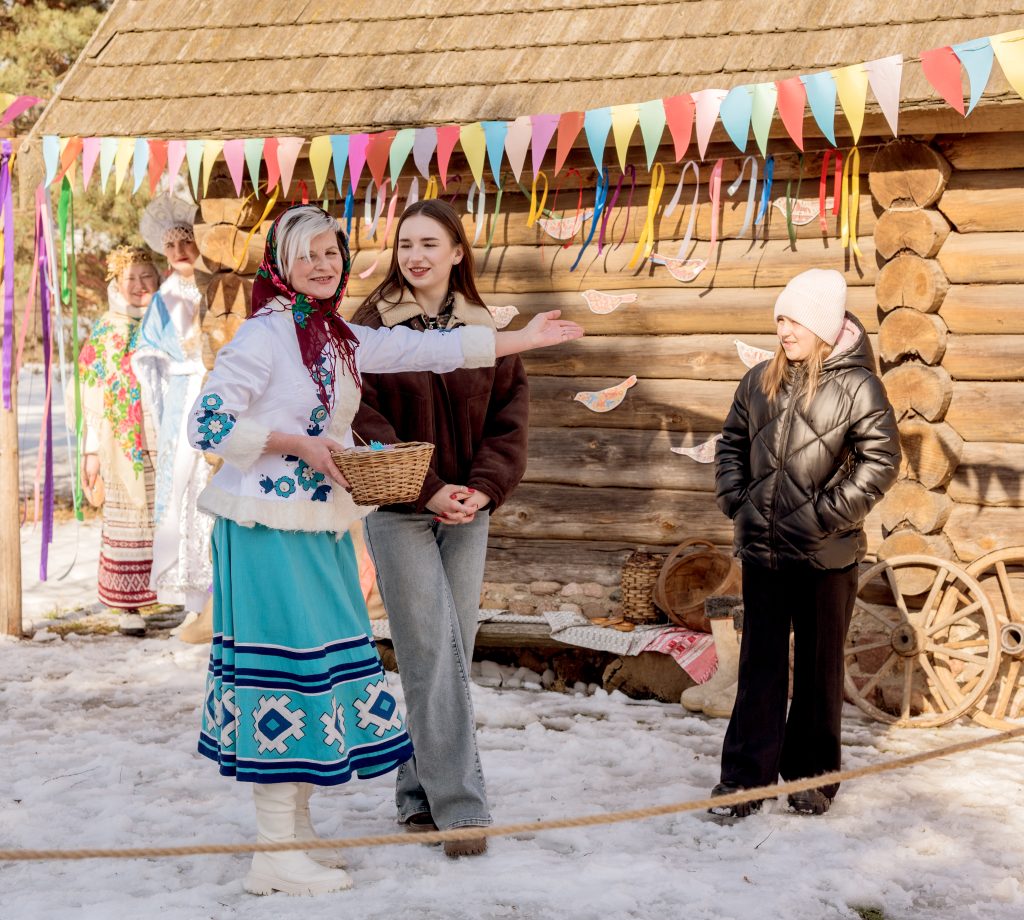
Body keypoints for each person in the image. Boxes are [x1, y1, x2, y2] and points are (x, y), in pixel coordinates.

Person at [188, 203, 582, 896]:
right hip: (264, 526)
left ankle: (291, 838)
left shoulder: (337, 336)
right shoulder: (265, 334)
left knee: (314, 675)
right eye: (307, 254)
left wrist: (522, 340)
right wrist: (294, 443)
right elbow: (209, 421)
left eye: (332, 252)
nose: (323, 264)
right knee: (283, 674)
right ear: (281, 264)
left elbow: (426, 351)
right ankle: (274, 852)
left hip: (312, 525)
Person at [350, 199, 528, 859]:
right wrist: (429, 490)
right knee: (430, 652)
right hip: (400, 513)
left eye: (430, 243)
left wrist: (480, 489)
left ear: (458, 253)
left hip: (468, 513)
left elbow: (510, 419)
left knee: (449, 651)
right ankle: (462, 811)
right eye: (405, 245)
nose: (415, 256)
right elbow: (361, 420)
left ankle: (417, 797)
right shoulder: (371, 327)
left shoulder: (488, 329)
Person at [709, 268, 900, 819]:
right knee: (759, 668)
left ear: (821, 324)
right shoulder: (759, 381)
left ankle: (813, 780)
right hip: (763, 553)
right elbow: (731, 445)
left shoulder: (858, 385)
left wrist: (822, 517)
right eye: (780, 319)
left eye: (792, 319)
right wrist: (737, 502)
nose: (783, 329)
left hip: (825, 555)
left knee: (819, 671)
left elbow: (881, 460)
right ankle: (743, 782)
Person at [132, 194, 213, 627]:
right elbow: (146, 350)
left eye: (187, 243)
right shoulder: (164, 296)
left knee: (211, 479)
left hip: (216, 387)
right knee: (184, 485)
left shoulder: (215, 285)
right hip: (184, 394)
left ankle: (220, 593)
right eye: (172, 247)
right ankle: (192, 596)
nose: (181, 253)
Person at [78, 245, 161, 635]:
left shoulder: (168, 323)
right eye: (131, 279)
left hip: (165, 434)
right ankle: (130, 607)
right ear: (117, 284)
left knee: (169, 515)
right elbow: (93, 396)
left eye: (147, 276)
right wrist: (92, 450)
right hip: (122, 443)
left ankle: (185, 597)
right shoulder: (107, 331)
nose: (140, 285)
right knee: (129, 521)